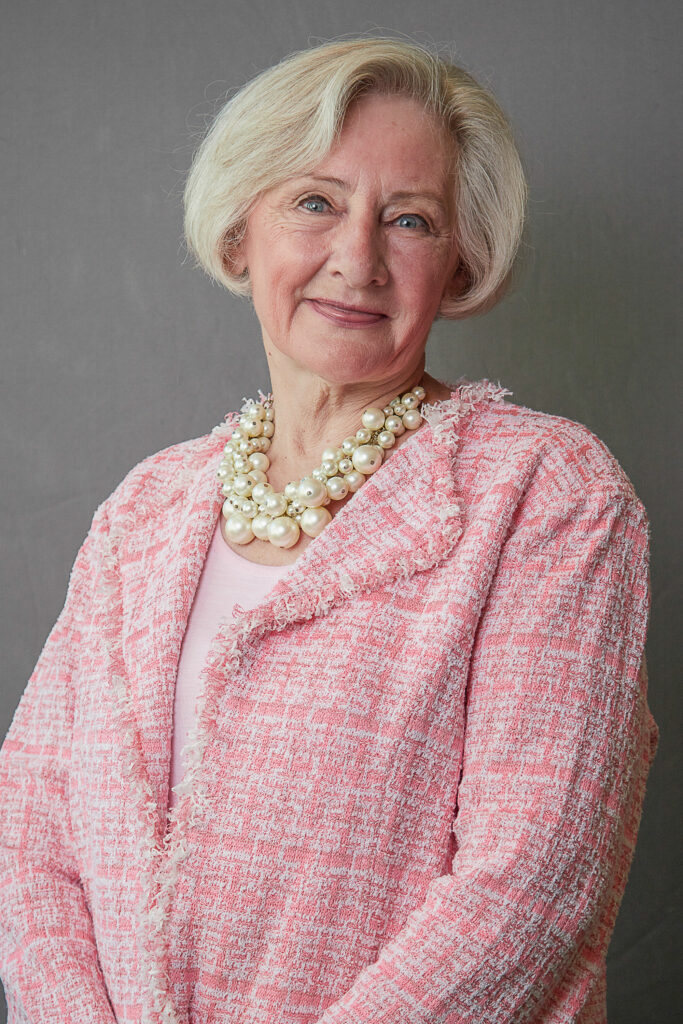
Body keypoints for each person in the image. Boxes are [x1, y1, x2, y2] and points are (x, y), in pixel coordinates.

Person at [0, 37, 658, 1024]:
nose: (358, 257)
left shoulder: (544, 493)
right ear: (238, 236)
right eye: (315, 202)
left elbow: (536, 875)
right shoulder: (144, 509)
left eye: (409, 219)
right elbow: (33, 832)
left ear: (459, 257)